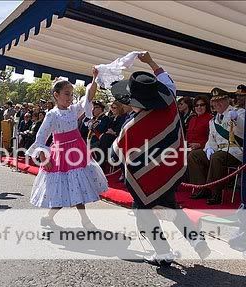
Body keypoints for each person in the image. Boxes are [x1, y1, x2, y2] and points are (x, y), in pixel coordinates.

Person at [111, 52, 210, 265]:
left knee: (143, 211)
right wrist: (150, 62)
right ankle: (197, 241)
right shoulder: (171, 103)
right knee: (171, 207)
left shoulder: (133, 126)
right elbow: (167, 80)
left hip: (145, 179)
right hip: (171, 170)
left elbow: (114, 154)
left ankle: (163, 252)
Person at [26, 67, 108, 229]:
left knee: (76, 187)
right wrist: (43, 158)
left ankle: (80, 220)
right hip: (61, 154)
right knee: (64, 189)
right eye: (66, 94)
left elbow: (88, 97)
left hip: (77, 151)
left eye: (71, 94)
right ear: (56, 95)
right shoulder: (52, 115)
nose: (70, 97)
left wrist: (94, 79)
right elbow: (41, 138)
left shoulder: (73, 110)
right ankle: (73, 219)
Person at [188, 88, 245, 204]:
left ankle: (215, 193)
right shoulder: (213, 120)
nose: (217, 104)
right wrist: (208, 148)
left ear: (227, 100)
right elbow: (211, 139)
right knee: (194, 155)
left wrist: (236, 119)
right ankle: (202, 188)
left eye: (221, 100)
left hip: (236, 151)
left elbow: (243, 129)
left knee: (217, 157)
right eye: (214, 101)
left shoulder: (238, 112)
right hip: (219, 150)